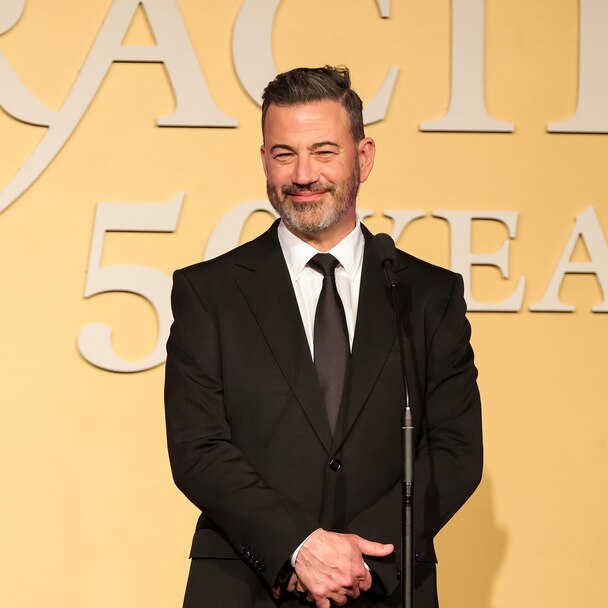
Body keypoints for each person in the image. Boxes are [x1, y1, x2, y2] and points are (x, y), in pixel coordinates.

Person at [164, 65, 483, 608]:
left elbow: (455, 450)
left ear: (364, 157)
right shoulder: (209, 291)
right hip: (246, 586)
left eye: (324, 151)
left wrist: (361, 559)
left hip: (386, 585)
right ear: (264, 160)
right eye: (284, 154)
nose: (303, 174)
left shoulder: (427, 294)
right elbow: (198, 448)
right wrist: (298, 546)